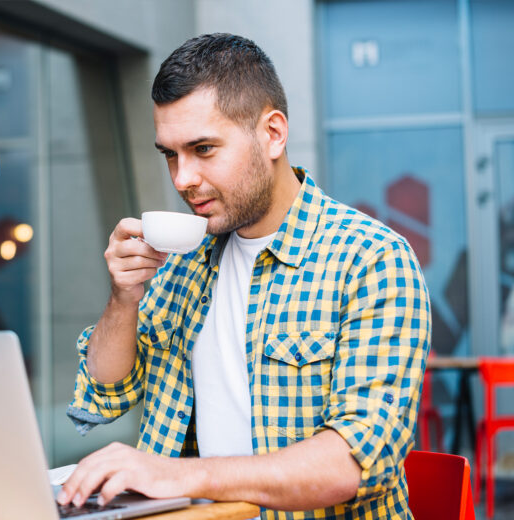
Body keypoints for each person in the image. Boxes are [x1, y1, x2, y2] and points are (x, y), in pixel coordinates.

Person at [57, 33, 431, 519]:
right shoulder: (185, 262)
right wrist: (123, 298)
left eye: (203, 149)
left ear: (273, 133)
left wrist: (180, 474)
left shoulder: (372, 260)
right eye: (170, 153)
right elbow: (106, 390)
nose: (181, 179)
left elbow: (352, 464)